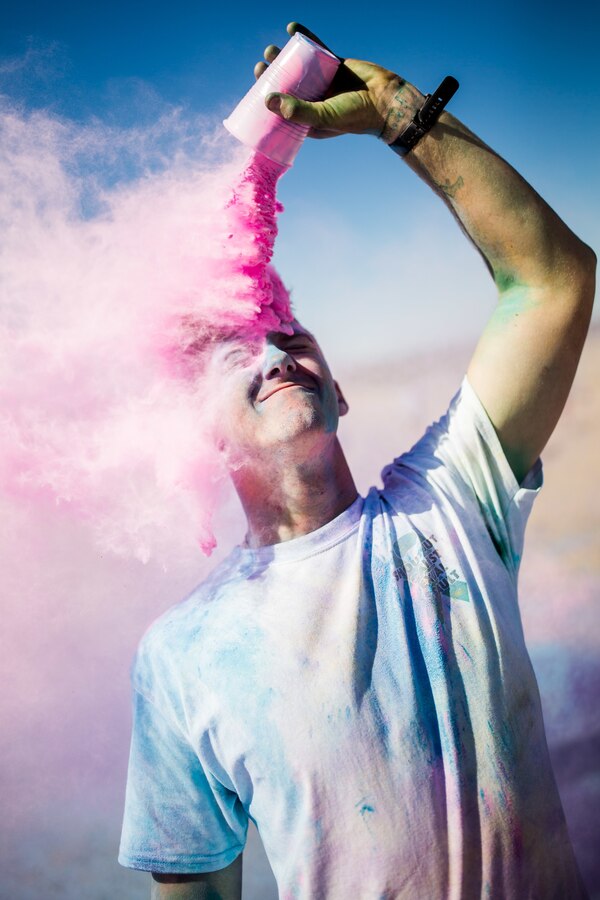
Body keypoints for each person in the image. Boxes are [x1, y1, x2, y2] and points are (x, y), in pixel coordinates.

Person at [118, 22, 595, 900]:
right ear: (205, 438)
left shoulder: (450, 502)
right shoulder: (182, 655)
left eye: (291, 335)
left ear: (340, 393)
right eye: (238, 357)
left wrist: (395, 113)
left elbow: (553, 278)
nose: (275, 355)